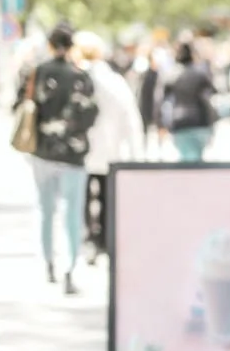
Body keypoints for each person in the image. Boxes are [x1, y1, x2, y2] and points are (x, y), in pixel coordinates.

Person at [15, 23, 99, 294]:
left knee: (46, 209)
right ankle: (69, 268)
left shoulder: (37, 72)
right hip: (73, 154)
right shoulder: (81, 76)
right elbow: (90, 114)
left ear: (50, 45)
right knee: (72, 213)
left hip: (43, 151)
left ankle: (49, 262)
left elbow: (21, 105)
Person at [72, 31, 144, 264]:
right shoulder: (114, 80)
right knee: (106, 196)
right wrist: (136, 153)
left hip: (81, 150)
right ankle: (104, 239)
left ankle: (88, 239)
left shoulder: (77, 78)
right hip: (110, 150)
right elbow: (131, 117)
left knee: (82, 197)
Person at [163, 42, 217, 162]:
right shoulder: (199, 74)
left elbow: (163, 99)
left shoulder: (172, 75)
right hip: (199, 120)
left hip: (180, 121)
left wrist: (161, 123)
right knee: (196, 159)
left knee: (186, 159)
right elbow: (212, 92)